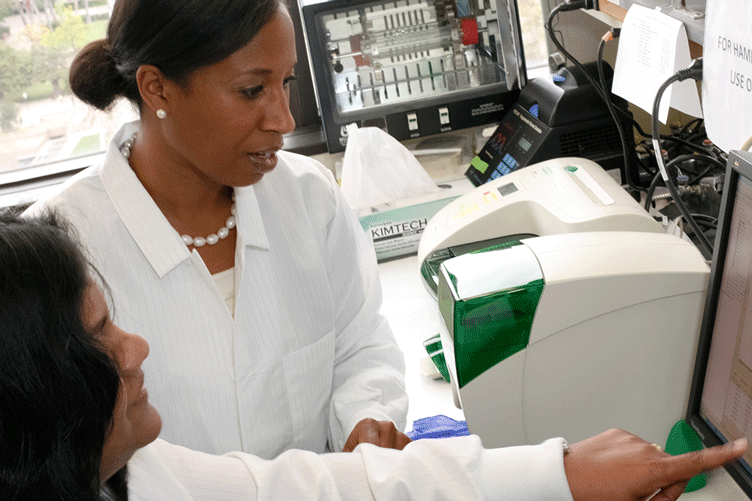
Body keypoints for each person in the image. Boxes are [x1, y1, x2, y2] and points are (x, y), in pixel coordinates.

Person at [0, 210, 747, 501]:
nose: (136, 348)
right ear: (39, 394)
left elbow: (314, 485)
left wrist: (558, 470)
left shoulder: (138, 474)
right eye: (100, 337)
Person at [26, 0, 410, 458]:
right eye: (252, 90)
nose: (283, 120)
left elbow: (360, 343)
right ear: (157, 88)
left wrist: (366, 419)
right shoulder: (59, 252)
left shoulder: (309, 197)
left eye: (286, 83)